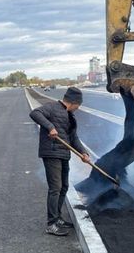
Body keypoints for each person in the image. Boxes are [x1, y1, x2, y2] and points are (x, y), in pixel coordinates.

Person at [29, 86, 91, 236]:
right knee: (55, 188)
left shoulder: (70, 116)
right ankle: (51, 224)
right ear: (75, 102)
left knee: (64, 186)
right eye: (79, 105)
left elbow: (73, 138)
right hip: (51, 153)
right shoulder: (52, 107)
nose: (78, 108)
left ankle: (58, 218)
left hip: (64, 154)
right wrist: (50, 127)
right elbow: (34, 113)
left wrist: (83, 153)